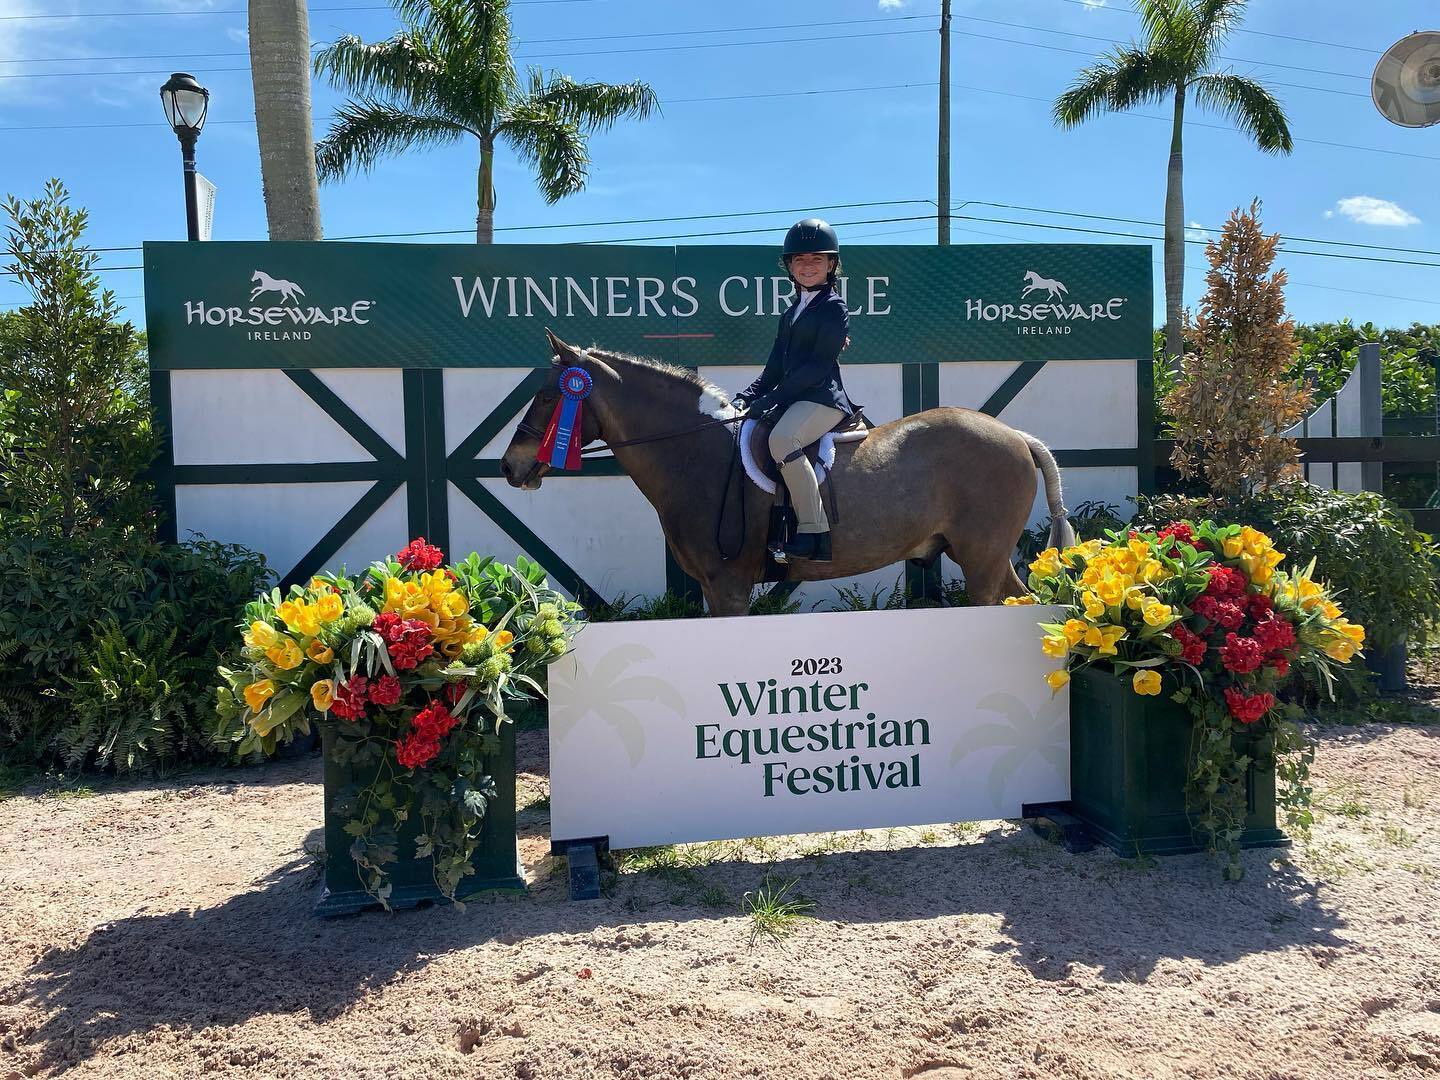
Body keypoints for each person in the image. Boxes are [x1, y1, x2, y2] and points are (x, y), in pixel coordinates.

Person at [732, 218, 857, 564]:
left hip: (822, 398)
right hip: (795, 396)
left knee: (782, 440)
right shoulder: (789, 314)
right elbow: (773, 368)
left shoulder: (834, 308)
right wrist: (746, 397)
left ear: (831, 265)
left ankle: (814, 533)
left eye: (816, 259)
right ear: (789, 266)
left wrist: (770, 401)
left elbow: (816, 368)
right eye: (799, 260)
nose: (807, 267)